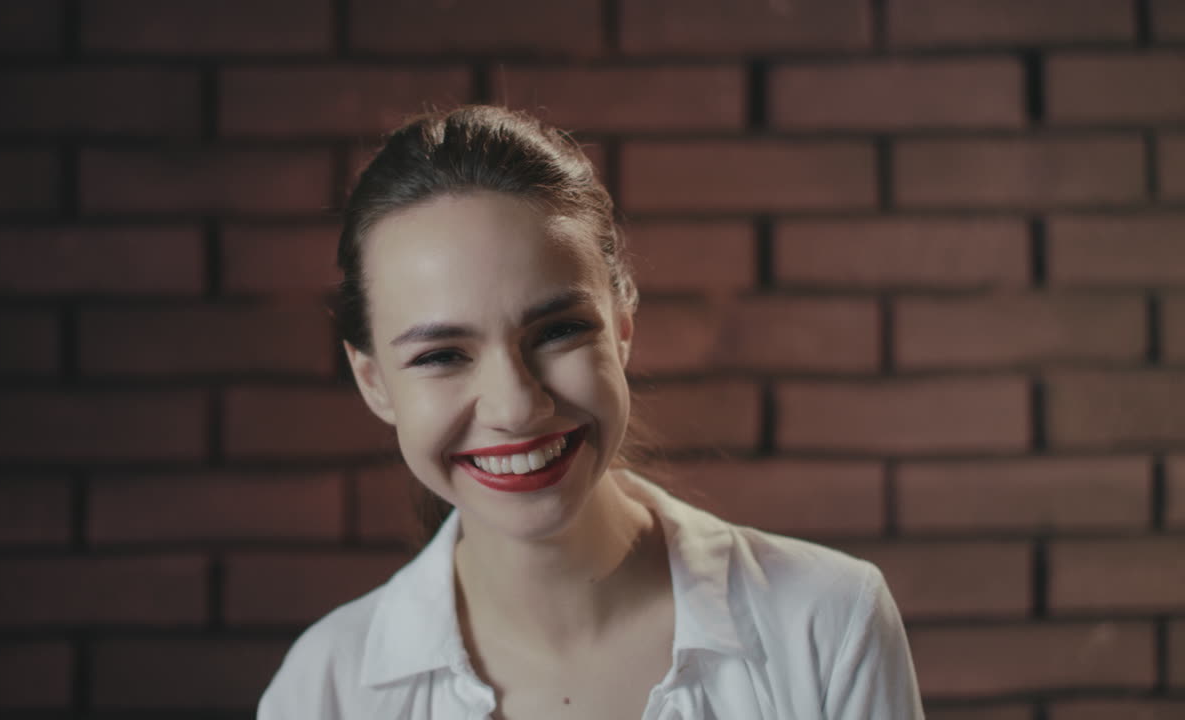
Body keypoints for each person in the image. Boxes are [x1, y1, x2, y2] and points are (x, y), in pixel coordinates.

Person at [257, 106, 925, 719]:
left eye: (556, 332)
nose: (517, 406)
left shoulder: (829, 626)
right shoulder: (323, 691)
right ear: (373, 382)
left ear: (623, 326)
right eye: (441, 356)